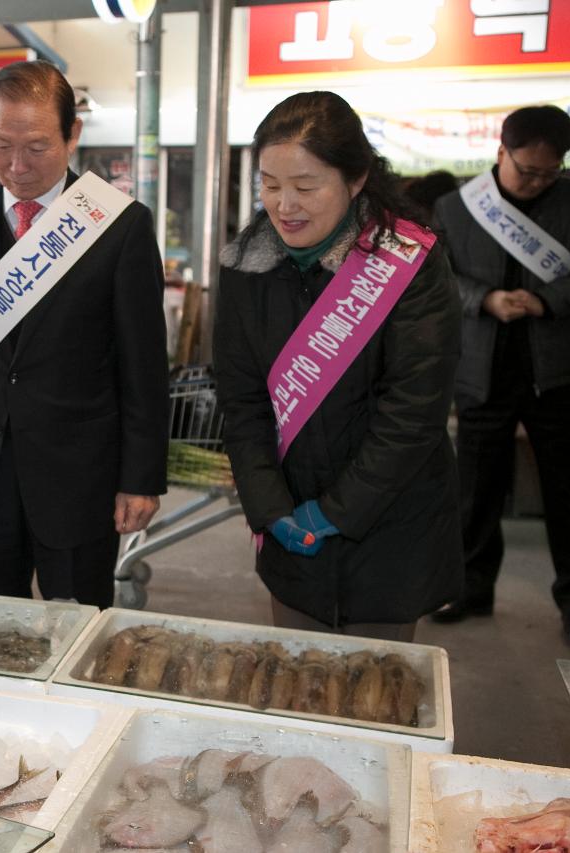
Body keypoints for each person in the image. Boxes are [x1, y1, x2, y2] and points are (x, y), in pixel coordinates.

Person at [0, 60, 169, 608]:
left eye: (36, 146)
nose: (17, 165)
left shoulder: (119, 224)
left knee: (77, 628)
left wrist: (141, 476)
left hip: (81, 476)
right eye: (0, 145)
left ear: (72, 134)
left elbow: (143, 365)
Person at [213, 91, 463, 642]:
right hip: (289, 522)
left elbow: (414, 412)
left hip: (390, 524)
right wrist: (268, 505)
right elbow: (241, 399)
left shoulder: (410, 263)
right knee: (298, 680)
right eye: (270, 185)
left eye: (305, 186)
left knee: (379, 692)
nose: (284, 205)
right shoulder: (243, 266)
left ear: (355, 181)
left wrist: (336, 513)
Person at [430, 105, 570, 642]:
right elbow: (439, 277)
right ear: (500, 154)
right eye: (525, 170)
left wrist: (546, 301)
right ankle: (469, 588)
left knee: (565, 492)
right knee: (476, 490)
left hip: (555, 373)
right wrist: (484, 298)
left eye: (548, 173)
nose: (536, 182)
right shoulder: (457, 207)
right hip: (482, 368)